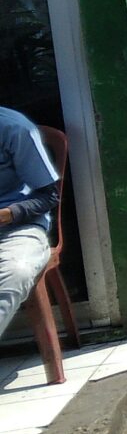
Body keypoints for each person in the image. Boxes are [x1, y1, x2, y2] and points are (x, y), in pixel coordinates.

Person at [0, 107, 59, 337]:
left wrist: (8, 214)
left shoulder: (14, 128)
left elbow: (49, 195)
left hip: (16, 229)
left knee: (16, 272)